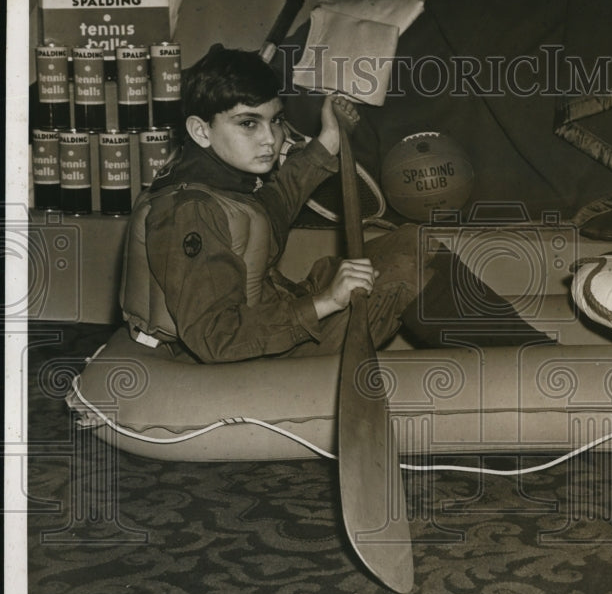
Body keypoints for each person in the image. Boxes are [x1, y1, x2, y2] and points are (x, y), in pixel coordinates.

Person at [120, 46, 548, 363]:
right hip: (251, 352)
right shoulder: (189, 212)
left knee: (410, 241)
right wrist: (327, 302)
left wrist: (328, 137)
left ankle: (528, 354)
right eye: (248, 124)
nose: (271, 139)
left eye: (275, 121)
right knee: (404, 273)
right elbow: (215, 339)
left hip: (270, 318)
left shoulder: (216, 179)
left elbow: (276, 202)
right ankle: (534, 367)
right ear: (200, 131)